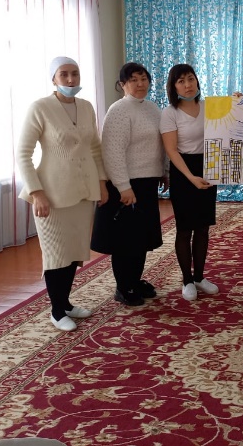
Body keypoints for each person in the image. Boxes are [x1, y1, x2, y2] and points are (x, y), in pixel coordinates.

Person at [17, 56, 108, 332]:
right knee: (55, 253)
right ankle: (57, 311)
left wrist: (102, 183)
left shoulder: (86, 106)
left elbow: (95, 148)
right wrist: (37, 192)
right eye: (64, 74)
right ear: (53, 79)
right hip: (51, 195)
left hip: (83, 191)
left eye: (75, 73)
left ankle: (66, 303)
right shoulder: (40, 108)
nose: (71, 79)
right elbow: (23, 154)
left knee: (73, 251)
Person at [91, 62, 166, 307]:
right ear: (122, 84)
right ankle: (123, 287)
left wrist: (163, 172)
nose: (140, 84)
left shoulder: (152, 108)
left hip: (147, 182)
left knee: (141, 238)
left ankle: (134, 280)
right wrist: (123, 186)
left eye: (143, 79)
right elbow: (112, 152)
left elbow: (161, 144)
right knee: (125, 240)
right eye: (133, 80)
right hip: (126, 185)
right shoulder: (119, 110)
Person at [160, 63, 220, 301]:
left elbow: (232, 124)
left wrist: (238, 103)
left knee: (203, 227)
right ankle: (187, 280)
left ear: (197, 81)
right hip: (183, 171)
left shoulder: (209, 107)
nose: (187, 85)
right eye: (181, 81)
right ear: (173, 87)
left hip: (208, 167)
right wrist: (191, 178)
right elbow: (171, 150)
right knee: (185, 229)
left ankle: (199, 277)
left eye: (190, 79)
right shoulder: (170, 113)